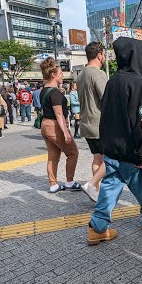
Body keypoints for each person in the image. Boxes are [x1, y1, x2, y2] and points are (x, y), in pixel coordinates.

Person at [86, 37, 142, 245]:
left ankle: (97, 228)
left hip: (112, 150)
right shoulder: (138, 82)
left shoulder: (113, 81)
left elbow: (105, 116)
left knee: (110, 188)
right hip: (131, 151)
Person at [39, 57, 81, 193]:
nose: (62, 75)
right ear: (53, 75)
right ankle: (70, 182)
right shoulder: (55, 92)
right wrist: (66, 132)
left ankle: (53, 184)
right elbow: (59, 114)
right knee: (73, 152)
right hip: (55, 125)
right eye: (60, 73)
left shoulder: (44, 90)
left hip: (45, 124)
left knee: (53, 156)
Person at [78, 41, 108, 202]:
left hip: (86, 123)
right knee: (111, 159)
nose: (105, 58)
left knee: (97, 158)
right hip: (100, 124)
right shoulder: (98, 74)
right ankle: (91, 184)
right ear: (99, 55)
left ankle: (96, 191)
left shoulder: (81, 74)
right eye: (104, 54)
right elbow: (107, 99)